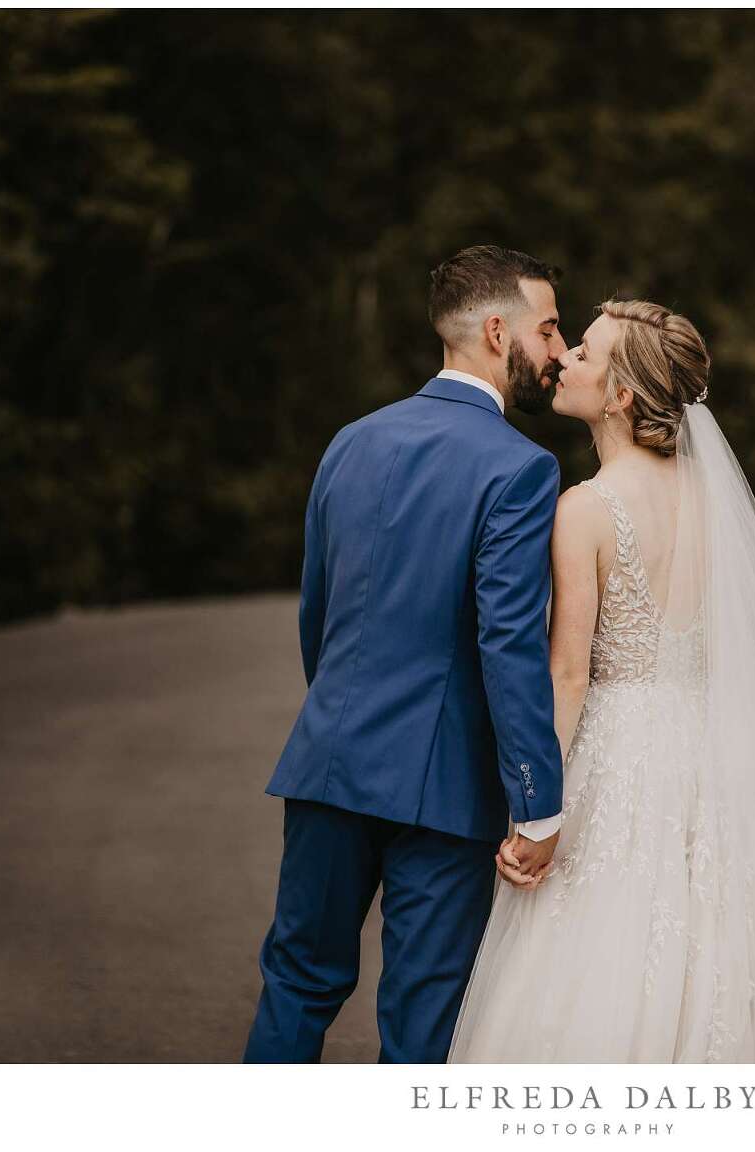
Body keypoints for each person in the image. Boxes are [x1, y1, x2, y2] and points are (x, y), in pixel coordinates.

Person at [448, 299, 755, 1061]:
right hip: (713, 753)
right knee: (732, 942)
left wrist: (537, 814)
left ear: (620, 395)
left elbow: (568, 674)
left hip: (618, 757)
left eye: (584, 353)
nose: (564, 357)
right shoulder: (715, 503)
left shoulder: (585, 510)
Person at [243, 245, 570, 1062]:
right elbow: (508, 643)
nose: (559, 351)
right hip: (443, 788)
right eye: (549, 329)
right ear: (497, 333)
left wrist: (343, 721)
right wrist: (537, 803)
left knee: (296, 982)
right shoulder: (521, 468)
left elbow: (318, 613)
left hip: (329, 762)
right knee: (422, 1026)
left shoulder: (351, 442)